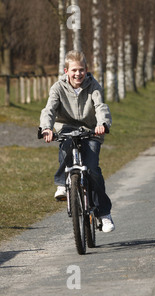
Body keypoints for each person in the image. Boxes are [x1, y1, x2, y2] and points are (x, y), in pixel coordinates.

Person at [40, 50, 115, 233]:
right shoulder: (58, 88)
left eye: (81, 70)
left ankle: (103, 213)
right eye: (73, 70)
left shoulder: (94, 86)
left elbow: (100, 107)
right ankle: (62, 184)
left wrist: (102, 124)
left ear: (86, 70)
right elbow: (49, 109)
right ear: (66, 71)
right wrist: (46, 128)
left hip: (90, 130)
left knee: (92, 170)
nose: (77, 74)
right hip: (66, 127)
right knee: (65, 149)